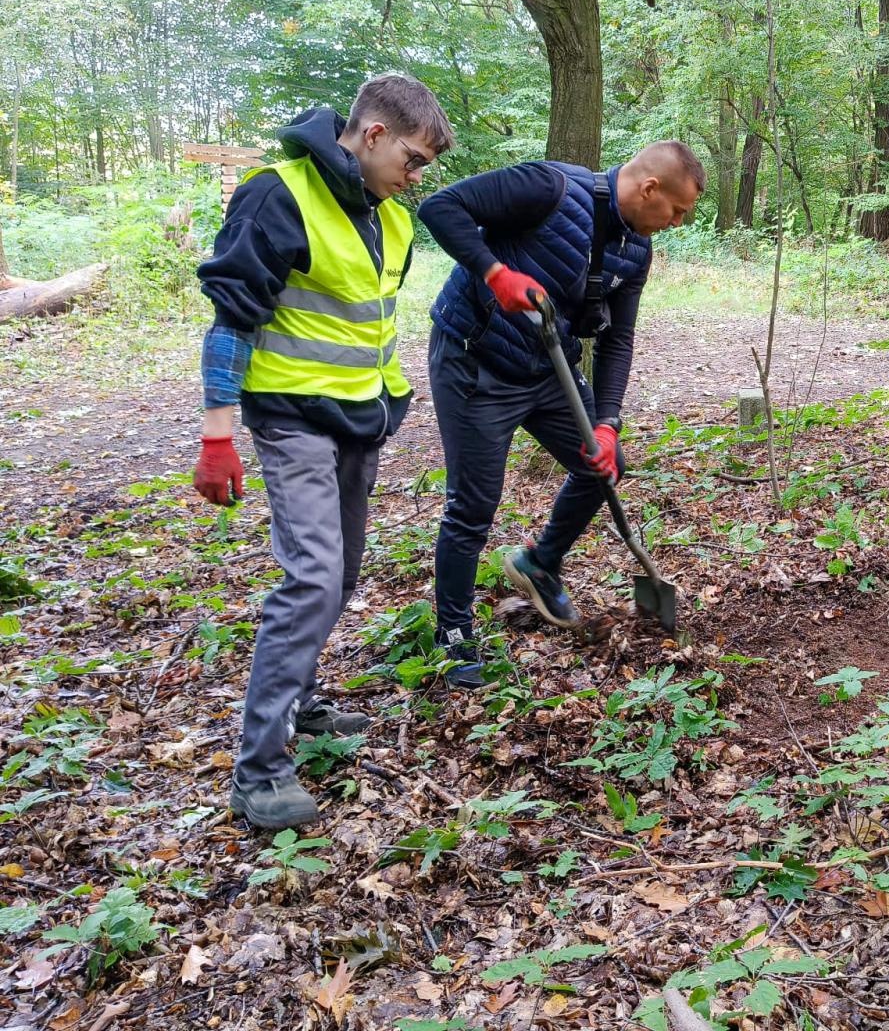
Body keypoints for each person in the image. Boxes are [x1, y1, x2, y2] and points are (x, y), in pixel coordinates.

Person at [191, 74, 454, 829]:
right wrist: (216, 436)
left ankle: (301, 703)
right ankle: (259, 767)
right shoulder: (278, 194)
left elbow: (362, 321)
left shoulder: (389, 218)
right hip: (290, 419)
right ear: (371, 135)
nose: (414, 177)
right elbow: (230, 320)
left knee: (341, 573)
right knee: (311, 578)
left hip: (358, 422)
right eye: (410, 158)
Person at [420, 141, 704, 686]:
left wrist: (607, 421)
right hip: (475, 359)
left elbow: (618, 340)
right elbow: (440, 207)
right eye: (677, 210)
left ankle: (540, 561)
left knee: (603, 463)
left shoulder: (635, 250)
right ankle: (453, 633)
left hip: (549, 370)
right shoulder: (547, 188)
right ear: (649, 190)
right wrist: (493, 272)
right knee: (473, 506)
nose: (677, 222)